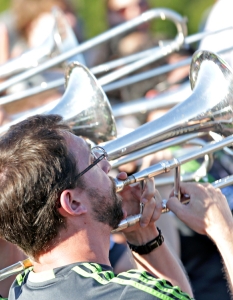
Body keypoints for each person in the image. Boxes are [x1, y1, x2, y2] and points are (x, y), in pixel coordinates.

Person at [0, 114, 193, 299]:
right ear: (73, 203)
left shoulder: (17, 292)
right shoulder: (128, 295)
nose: (107, 166)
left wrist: (143, 234)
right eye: (93, 161)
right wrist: (222, 226)